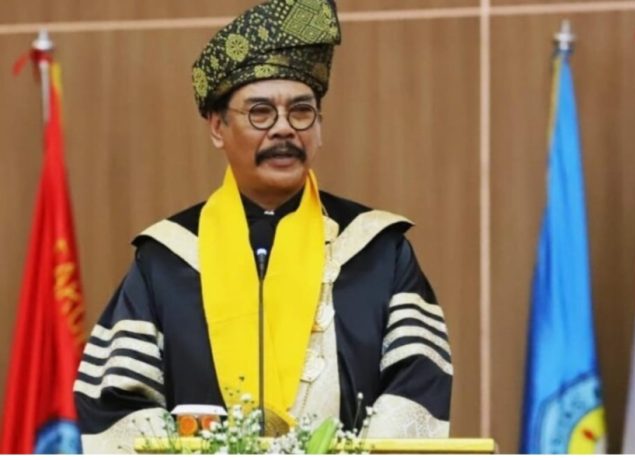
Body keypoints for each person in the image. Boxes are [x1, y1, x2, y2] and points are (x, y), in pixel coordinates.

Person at [73, 0, 452, 453]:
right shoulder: (167, 260)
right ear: (217, 127)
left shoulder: (377, 252)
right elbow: (118, 402)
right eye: (260, 112)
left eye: (301, 111)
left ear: (319, 127)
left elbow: (417, 386)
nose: (283, 129)